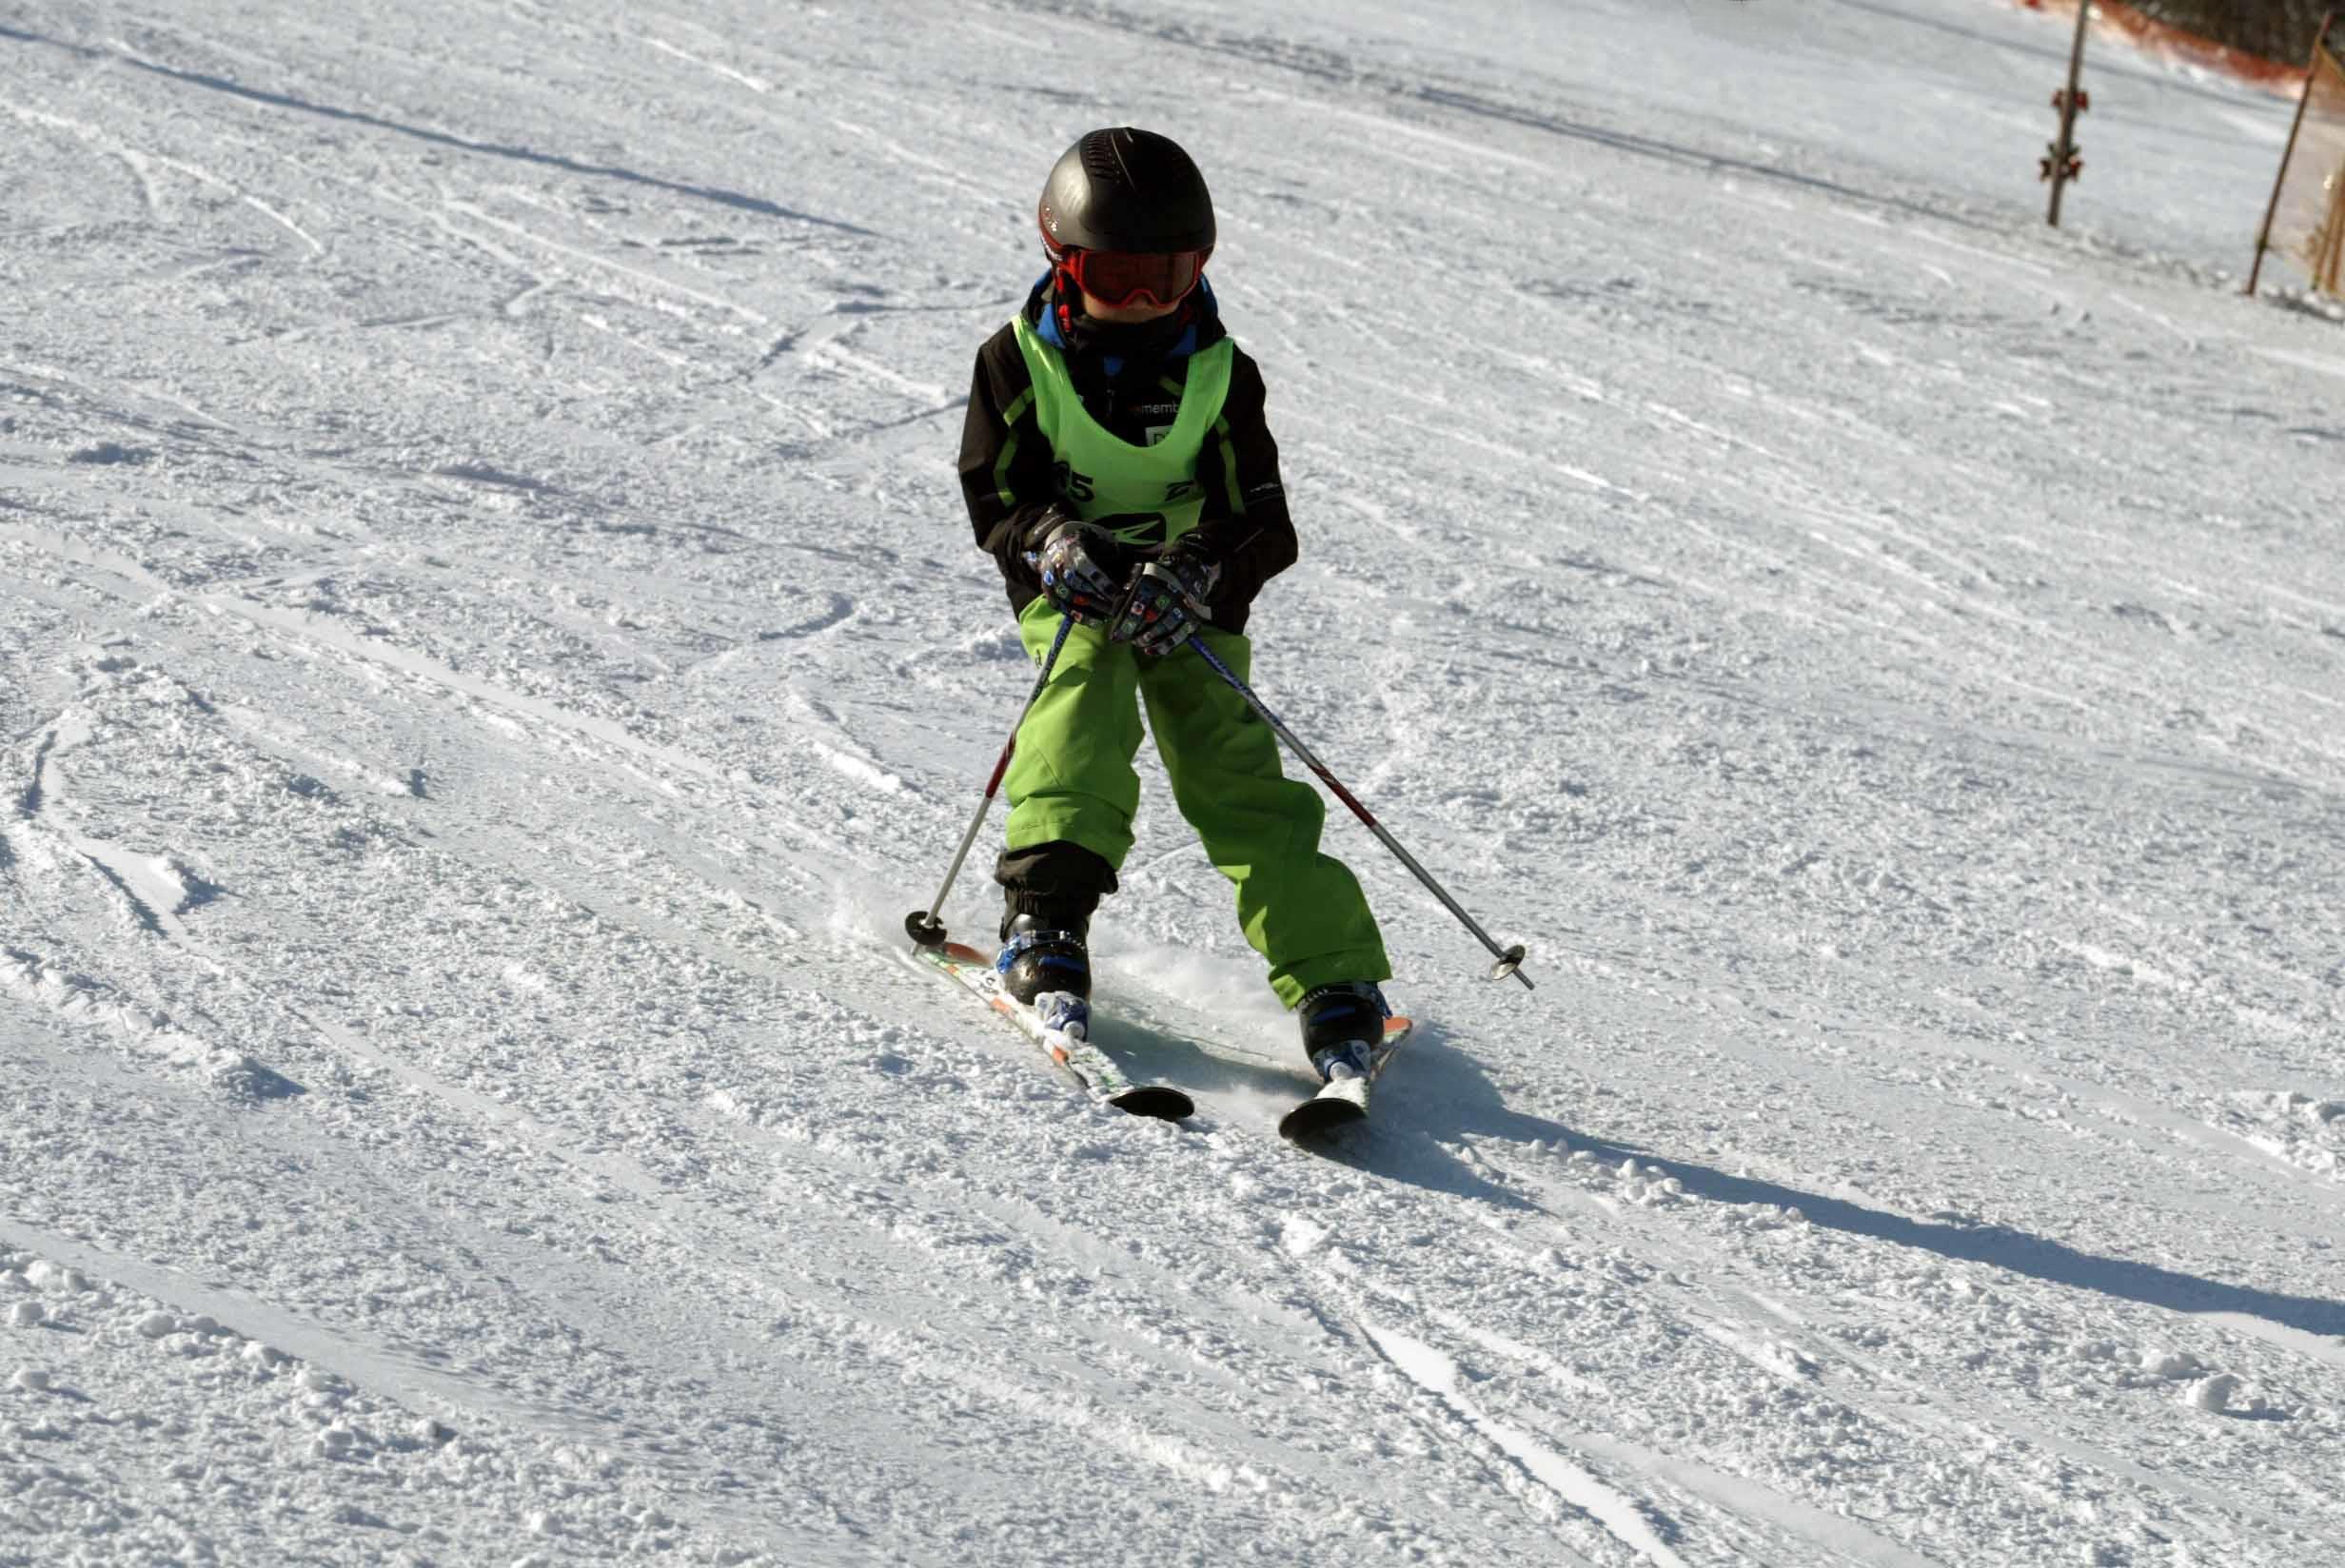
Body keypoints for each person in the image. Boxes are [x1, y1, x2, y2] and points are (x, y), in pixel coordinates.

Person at [955, 127, 1392, 1086]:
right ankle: (1045, 921)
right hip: (1077, 592)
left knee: (1231, 764)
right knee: (1080, 705)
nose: (1147, 300)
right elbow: (997, 494)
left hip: (1188, 600)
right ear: (1064, 261)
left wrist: (1198, 570)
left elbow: (1263, 522)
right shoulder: (1016, 362)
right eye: (1119, 277)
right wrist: (1048, 539)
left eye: (1171, 274)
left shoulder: (1220, 374)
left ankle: (1333, 973)